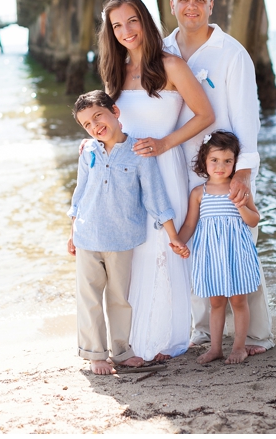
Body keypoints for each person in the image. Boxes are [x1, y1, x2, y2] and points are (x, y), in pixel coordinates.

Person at [97, 0, 214, 362]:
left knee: (159, 250)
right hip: (124, 176)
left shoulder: (171, 65)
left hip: (163, 170)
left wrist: (164, 143)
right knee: (131, 253)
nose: (126, 31)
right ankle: (132, 340)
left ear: (144, 20)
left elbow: (204, 114)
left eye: (132, 20)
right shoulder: (114, 70)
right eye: (117, 25)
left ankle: (163, 339)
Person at [164, 0, 274, 353]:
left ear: (210, 6)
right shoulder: (163, 50)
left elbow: (247, 115)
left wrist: (242, 170)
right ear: (173, 4)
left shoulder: (231, 52)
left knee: (243, 249)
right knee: (198, 248)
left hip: (227, 168)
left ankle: (258, 335)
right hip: (181, 168)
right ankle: (202, 332)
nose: (191, 6)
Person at [68, 91, 188, 375]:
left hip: (122, 239)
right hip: (87, 236)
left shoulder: (139, 152)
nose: (94, 125)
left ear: (115, 112)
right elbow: (80, 193)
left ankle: (121, 351)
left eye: (98, 116)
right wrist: (72, 231)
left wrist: (173, 235)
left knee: (120, 298)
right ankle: (95, 354)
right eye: (87, 124)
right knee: (89, 298)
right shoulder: (88, 152)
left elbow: (155, 197)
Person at [178, 131, 262, 365]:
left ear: (235, 162)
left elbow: (254, 220)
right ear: (205, 160)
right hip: (211, 256)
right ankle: (215, 348)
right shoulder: (199, 193)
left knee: (238, 301)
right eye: (214, 160)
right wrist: (178, 241)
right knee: (215, 303)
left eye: (227, 161)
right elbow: (190, 224)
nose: (221, 166)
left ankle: (239, 347)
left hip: (236, 253)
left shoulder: (240, 190)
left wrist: (241, 206)